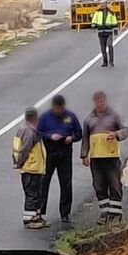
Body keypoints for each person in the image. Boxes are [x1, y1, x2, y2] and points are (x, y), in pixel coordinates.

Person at [80, 91, 128, 224]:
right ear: (94, 102)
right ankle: (104, 213)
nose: (100, 104)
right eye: (97, 101)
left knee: (114, 185)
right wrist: (84, 154)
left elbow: (126, 130)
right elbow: (85, 137)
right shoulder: (89, 118)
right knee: (99, 186)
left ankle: (116, 214)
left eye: (102, 101)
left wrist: (116, 134)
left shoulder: (114, 116)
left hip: (111, 157)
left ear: (105, 101)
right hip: (96, 158)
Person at [38, 94, 83, 224]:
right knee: (44, 182)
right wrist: (50, 136)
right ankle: (40, 210)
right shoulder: (45, 117)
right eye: (57, 109)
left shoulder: (70, 116)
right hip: (50, 153)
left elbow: (78, 133)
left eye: (61, 109)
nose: (59, 111)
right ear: (53, 107)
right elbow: (39, 133)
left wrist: (72, 138)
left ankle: (65, 213)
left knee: (66, 184)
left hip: (65, 152)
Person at [12, 107, 48, 229]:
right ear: (34, 118)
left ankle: (36, 217)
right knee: (32, 194)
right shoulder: (29, 132)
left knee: (36, 194)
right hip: (31, 168)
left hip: (33, 168)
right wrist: (20, 163)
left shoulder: (25, 129)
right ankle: (29, 219)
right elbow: (25, 149)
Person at [91, 0, 119, 67]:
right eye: (101, 4)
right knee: (103, 48)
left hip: (108, 31)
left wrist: (115, 29)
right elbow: (94, 19)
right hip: (101, 32)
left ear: (106, 4)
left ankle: (111, 61)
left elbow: (114, 20)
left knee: (110, 45)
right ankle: (105, 62)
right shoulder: (97, 12)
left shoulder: (111, 12)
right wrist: (93, 26)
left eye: (103, 3)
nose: (102, 5)